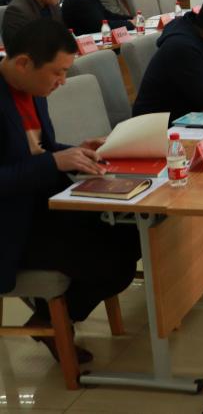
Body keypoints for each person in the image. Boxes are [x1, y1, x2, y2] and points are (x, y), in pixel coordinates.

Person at [0, 19, 140, 364]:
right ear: (24, 63)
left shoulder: (34, 90)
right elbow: (36, 164)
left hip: (44, 205)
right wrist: (55, 162)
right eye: (58, 73)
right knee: (110, 260)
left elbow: (40, 151)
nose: (62, 82)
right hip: (11, 225)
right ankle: (50, 322)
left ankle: (51, 318)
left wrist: (76, 151)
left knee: (132, 233)